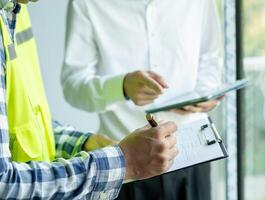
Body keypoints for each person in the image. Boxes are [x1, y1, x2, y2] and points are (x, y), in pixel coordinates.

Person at [0, 0, 179, 199]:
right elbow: (3, 184)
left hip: (147, 158)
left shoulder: (16, 10)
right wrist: (124, 162)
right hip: (122, 168)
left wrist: (82, 143)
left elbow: (24, 122)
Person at [62, 0, 223, 199]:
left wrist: (204, 94)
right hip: (126, 163)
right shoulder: (86, 3)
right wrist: (121, 87)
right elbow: (72, 86)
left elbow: (211, 59)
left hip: (193, 156)